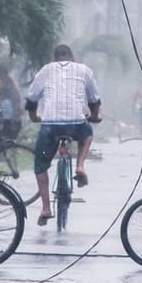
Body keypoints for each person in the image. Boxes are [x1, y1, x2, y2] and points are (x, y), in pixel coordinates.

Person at [25, 43, 102, 226]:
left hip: (50, 125)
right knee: (87, 134)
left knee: (40, 166)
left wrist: (34, 117)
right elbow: (94, 100)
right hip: (76, 123)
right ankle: (81, 165)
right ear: (72, 57)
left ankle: (46, 208)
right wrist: (94, 116)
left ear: (55, 58)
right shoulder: (84, 70)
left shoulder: (46, 70)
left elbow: (31, 98)